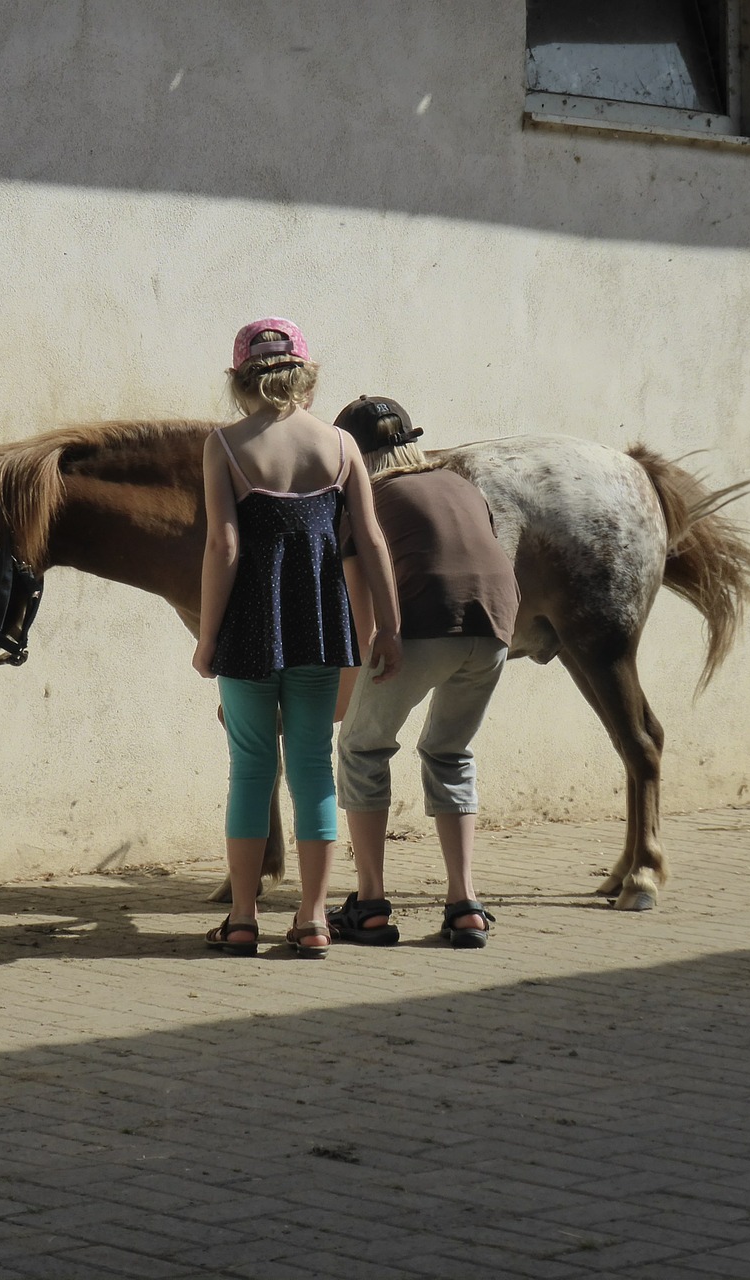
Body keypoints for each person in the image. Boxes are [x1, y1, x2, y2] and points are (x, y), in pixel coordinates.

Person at [193, 322, 401, 958]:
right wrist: (387, 628)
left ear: (239, 379)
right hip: (319, 625)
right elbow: (369, 538)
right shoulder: (340, 446)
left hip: (249, 629)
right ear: (306, 376)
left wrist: (207, 640)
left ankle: (244, 917)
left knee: (250, 770)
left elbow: (223, 546)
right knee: (313, 768)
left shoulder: (224, 446)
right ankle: (312, 919)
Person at [328, 396, 519, 949]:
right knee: (448, 751)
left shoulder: (366, 501)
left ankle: (368, 905)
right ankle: (465, 906)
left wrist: (347, 697)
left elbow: (364, 627)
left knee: (362, 749)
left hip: (422, 623)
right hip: (496, 626)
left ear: (354, 457)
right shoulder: (461, 484)